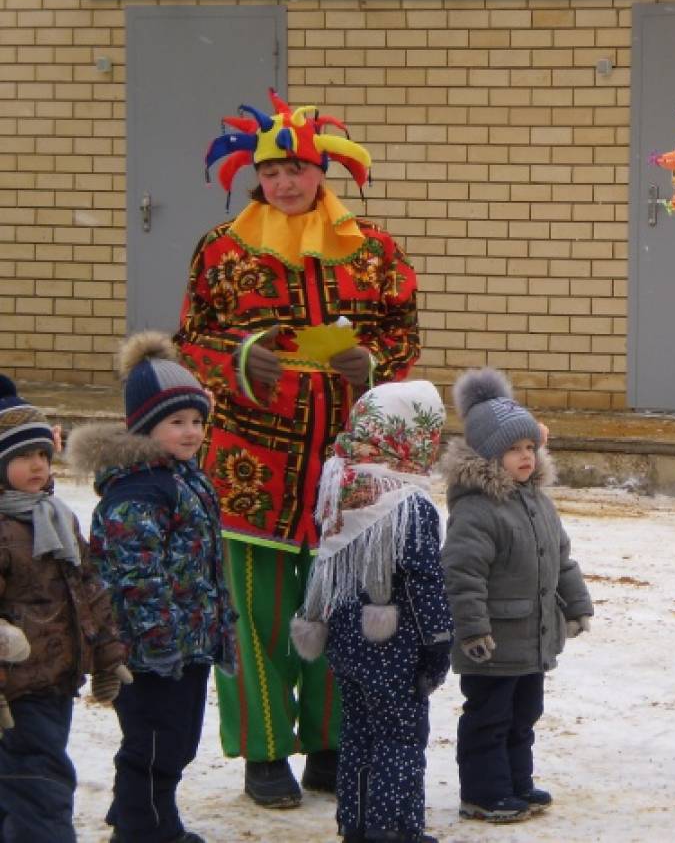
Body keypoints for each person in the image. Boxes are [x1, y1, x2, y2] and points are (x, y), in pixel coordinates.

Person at [177, 89, 421, 807]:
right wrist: (244, 356)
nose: (285, 183)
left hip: (346, 461)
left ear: (323, 172)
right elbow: (192, 340)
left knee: (343, 605)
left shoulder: (372, 249)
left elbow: (402, 333)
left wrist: (370, 362)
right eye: (272, 171)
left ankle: (327, 741)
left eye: (298, 169)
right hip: (253, 460)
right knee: (255, 614)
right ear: (254, 175)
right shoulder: (223, 251)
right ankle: (262, 751)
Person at [67, 333, 237, 843]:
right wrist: (159, 640)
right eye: (176, 423)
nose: (191, 433)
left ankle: (133, 812)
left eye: (198, 421)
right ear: (144, 427)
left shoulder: (184, 478)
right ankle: (147, 830)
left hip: (188, 642)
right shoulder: (139, 492)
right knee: (156, 743)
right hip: (150, 649)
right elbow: (134, 579)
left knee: (176, 739)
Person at [290, 380, 453, 843]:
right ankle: (393, 828)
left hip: (346, 645)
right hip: (396, 650)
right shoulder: (409, 504)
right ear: (409, 434)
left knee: (359, 734)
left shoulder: (342, 487)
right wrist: (438, 646)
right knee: (400, 739)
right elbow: (425, 583)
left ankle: (357, 825)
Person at [438, 367, 593, 824]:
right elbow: (461, 575)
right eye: (513, 449)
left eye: (529, 447)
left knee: (525, 713)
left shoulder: (537, 501)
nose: (526, 457)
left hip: (531, 637)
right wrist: (471, 630)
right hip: (492, 641)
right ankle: (484, 792)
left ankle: (516, 783)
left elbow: (560, 558)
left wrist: (577, 603)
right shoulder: (476, 510)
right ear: (487, 455)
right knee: (489, 717)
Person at [0, 374, 129, 842]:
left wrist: (108, 652)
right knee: (41, 786)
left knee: (20, 784)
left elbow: (88, 588)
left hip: (54, 676)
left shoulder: (54, 515)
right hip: (13, 691)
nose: (37, 465)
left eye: (41, 454)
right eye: (21, 457)